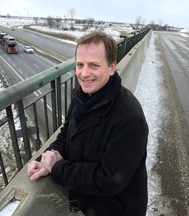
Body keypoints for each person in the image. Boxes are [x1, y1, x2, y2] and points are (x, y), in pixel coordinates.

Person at [27, 31, 149, 216]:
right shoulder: (82, 96)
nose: (84, 74)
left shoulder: (129, 117)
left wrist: (57, 168)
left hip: (115, 209)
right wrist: (47, 158)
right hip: (88, 204)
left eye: (93, 65)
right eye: (79, 65)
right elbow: (66, 133)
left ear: (111, 67)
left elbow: (108, 179)